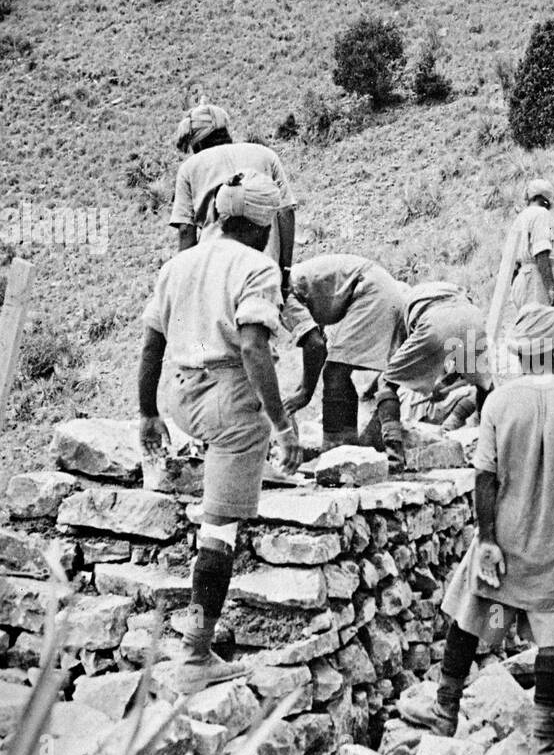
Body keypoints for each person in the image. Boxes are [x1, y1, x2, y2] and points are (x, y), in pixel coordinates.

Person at [401, 304, 554, 755]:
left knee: (469, 616)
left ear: (520, 352)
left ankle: (444, 714)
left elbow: (485, 478)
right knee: (552, 639)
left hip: (505, 539)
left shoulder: (499, 401)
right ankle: (542, 740)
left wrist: (489, 539)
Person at [138, 170, 302, 692]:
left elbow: (150, 347)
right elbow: (254, 348)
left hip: (181, 395)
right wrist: (281, 424)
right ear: (263, 222)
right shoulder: (258, 267)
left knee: (216, 510)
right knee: (221, 529)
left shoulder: (178, 264)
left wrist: (147, 413)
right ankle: (195, 653)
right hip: (230, 402)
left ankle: (194, 637)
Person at [281, 254, 407, 450]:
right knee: (337, 370)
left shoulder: (279, 294)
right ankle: (347, 443)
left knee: (335, 372)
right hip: (380, 285)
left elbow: (314, 345)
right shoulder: (289, 282)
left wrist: (305, 394)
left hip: (370, 289)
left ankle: (337, 448)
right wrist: (302, 389)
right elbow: (318, 345)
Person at [169, 103, 298, 287]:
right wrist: (285, 270)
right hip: (265, 271)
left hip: (216, 275)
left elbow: (185, 231)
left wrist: (185, 286)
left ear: (196, 142)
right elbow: (286, 212)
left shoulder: (190, 168)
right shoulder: (265, 154)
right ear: (225, 130)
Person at [377, 282, 494, 468]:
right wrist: (445, 383)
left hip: (436, 320)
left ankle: (394, 458)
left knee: (386, 383)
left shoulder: (400, 305)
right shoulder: (438, 289)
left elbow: (397, 365)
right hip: (472, 315)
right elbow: (459, 338)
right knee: (484, 384)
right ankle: (489, 451)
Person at [507, 179, 554, 309]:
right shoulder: (541, 213)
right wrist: (551, 290)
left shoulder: (520, 218)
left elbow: (512, 265)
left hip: (520, 281)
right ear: (545, 199)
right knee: (542, 325)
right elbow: (541, 253)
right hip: (535, 281)